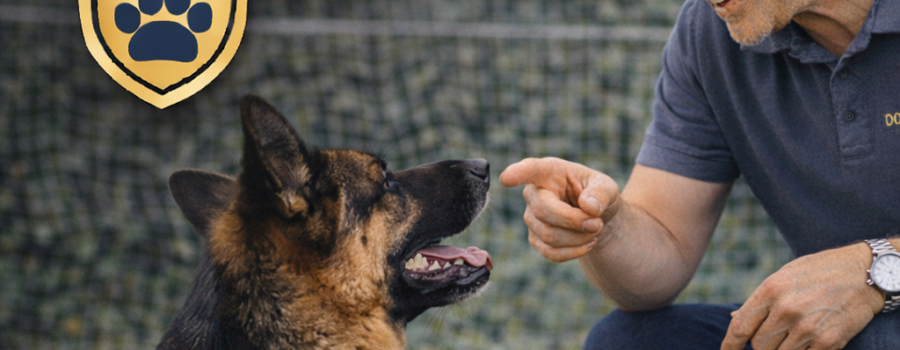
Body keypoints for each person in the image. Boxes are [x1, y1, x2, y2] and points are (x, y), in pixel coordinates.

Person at [499, 0, 900, 348]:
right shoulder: (709, 34)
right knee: (627, 342)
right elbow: (664, 244)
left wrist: (873, 272)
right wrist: (602, 221)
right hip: (834, 330)